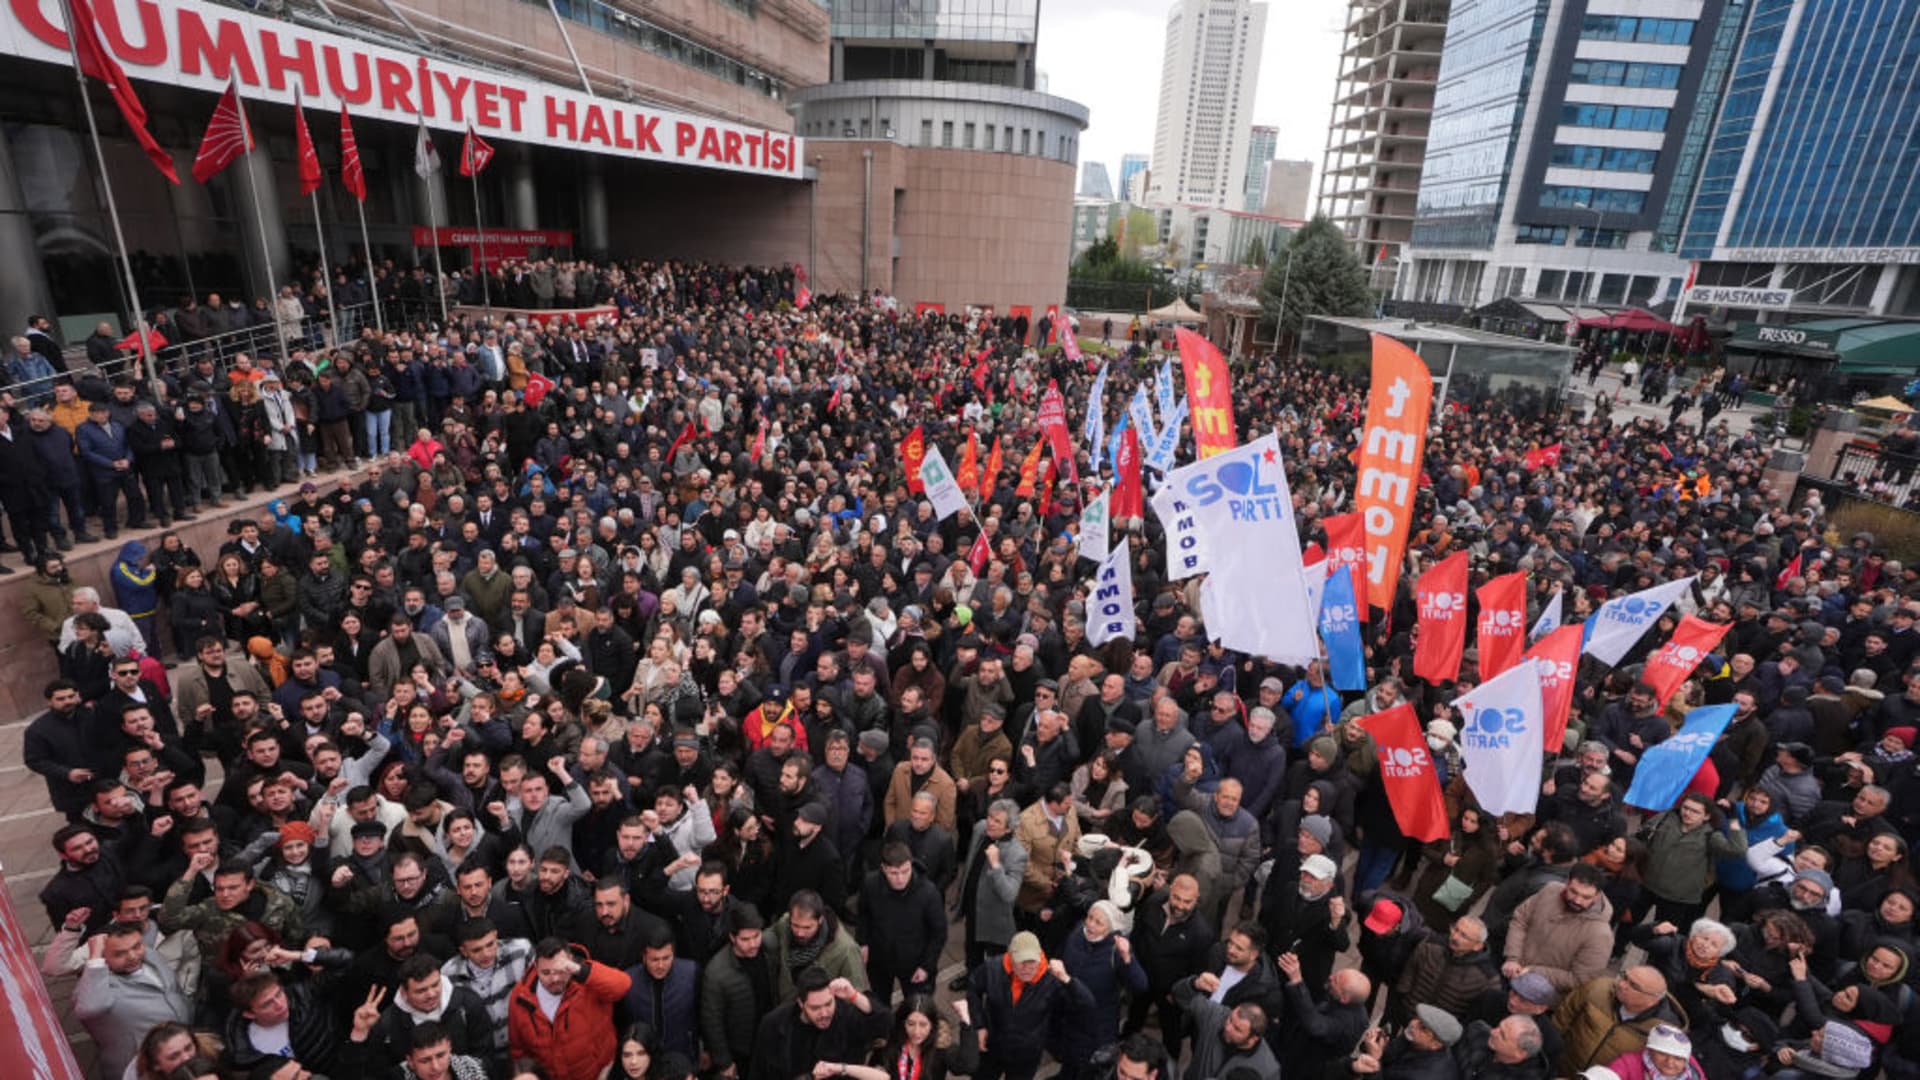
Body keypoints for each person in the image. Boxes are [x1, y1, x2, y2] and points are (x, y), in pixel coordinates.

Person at [969, 930, 1094, 1080]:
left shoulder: (1051, 980)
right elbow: (973, 987)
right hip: (993, 1045)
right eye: (1022, 962)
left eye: (1032, 962)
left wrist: (1067, 979)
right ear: (1010, 958)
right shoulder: (993, 968)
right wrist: (979, 1025)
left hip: (1026, 1055)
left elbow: (1087, 1005)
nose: (1027, 968)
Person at [507, 938, 633, 1080]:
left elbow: (623, 985)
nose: (554, 979)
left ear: (571, 962)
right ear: (535, 967)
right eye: (546, 973)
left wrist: (581, 970)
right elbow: (518, 1050)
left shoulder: (590, 984)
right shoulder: (521, 997)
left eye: (560, 971)